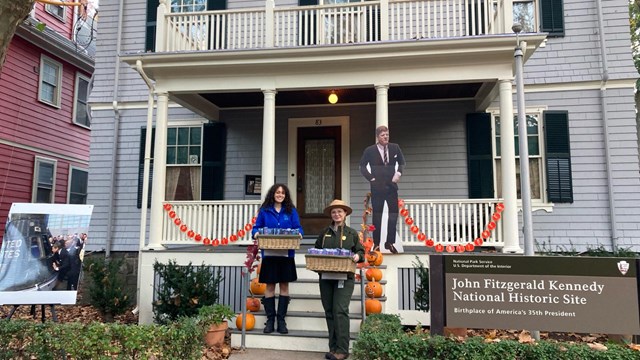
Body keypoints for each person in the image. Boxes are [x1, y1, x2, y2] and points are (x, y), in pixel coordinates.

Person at [315, 199, 365, 360]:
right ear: (331, 214)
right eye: (334, 212)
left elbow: (361, 251)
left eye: (340, 211)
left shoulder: (352, 233)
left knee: (340, 310)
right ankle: (333, 348)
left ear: (345, 214)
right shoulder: (324, 233)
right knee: (329, 311)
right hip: (326, 277)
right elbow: (316, 251)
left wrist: (358, 256)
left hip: (345, 277)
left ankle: (343, 349)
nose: (337, 214)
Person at [251, 183, 304, 334]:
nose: (280, 195)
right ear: (273, 194)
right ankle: (270, 320)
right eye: (277, 192)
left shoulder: (291, 211)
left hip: (286, 255)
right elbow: (256, 227)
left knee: (284, 286)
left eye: (282, 193)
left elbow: (298, 228)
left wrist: (299, 233)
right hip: (269, 254)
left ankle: (281, 320)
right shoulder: (265, 211)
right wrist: (255, 233)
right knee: (269, 287)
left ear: (285, 195)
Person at [359, 125, 406, 254]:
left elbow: (402, 162)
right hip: (377, 188)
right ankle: (377, 244)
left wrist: (398, 173)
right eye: (383, 135)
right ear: (377, 137)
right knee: (377, 216)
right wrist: (371, 178)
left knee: (393, 214)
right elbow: (362, 166)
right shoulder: (370, 150)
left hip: (391, 187)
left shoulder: (394, 147)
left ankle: (389, 242)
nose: (385, 137)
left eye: (387, 134)